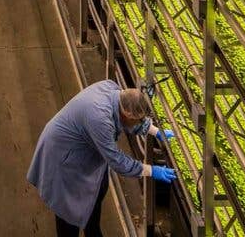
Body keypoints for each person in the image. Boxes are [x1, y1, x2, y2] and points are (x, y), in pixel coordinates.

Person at [27, 80, 177, 237]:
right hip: (63, 158)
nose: (140, 123)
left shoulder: (113, 89)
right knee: (68, 213)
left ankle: (93, 230)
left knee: (97, 194)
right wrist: (151, 170)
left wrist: (154, 131)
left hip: (84, 152)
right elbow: (117, 161)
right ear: (126, 114)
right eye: (138, 120)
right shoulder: (99, 119)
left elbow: (132, 118)